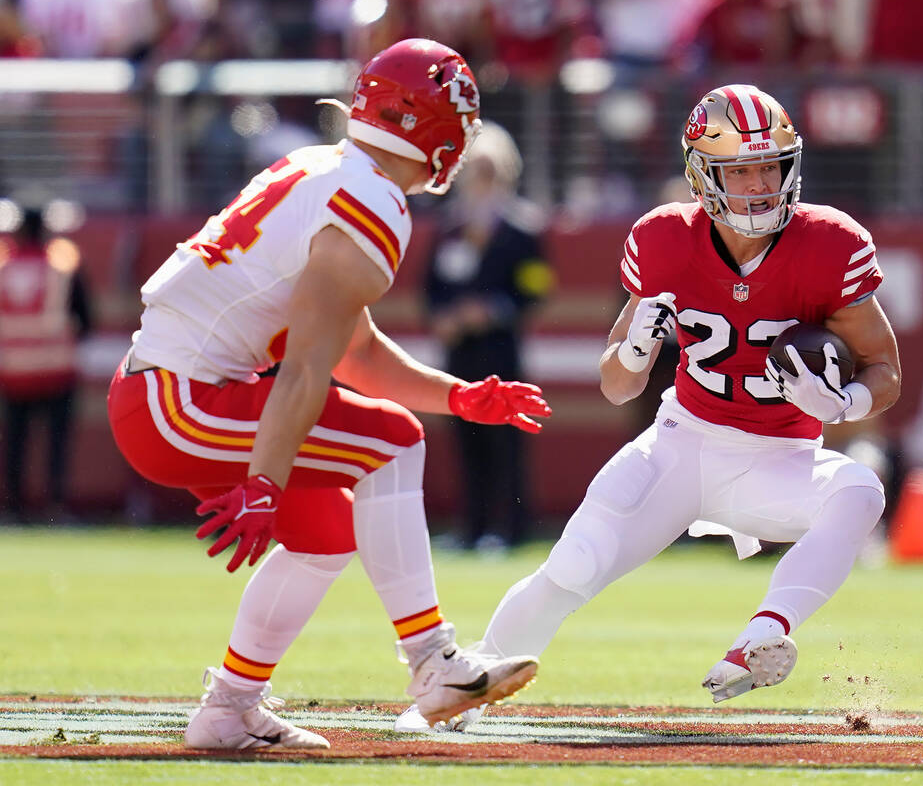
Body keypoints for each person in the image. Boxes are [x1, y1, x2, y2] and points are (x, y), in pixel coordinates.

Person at [397, 83, 901, 731]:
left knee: (859, 490)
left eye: (769, 166)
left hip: (777, 459)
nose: (758, 184)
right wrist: (635, 349)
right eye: (739, 170)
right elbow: (616, 385)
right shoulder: (663, 239)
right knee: (572, 567)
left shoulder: (830, 243)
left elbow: (885, 370)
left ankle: (762, 636)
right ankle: (456, 693)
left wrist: (843, 399)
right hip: (680, 444)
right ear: (702, 175)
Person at [106, 38, 550, 750]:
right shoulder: (369, 197)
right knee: (395, 441)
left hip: (164, 393)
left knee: (326, 533)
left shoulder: (328, 171)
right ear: (433, 126)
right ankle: (434, 662)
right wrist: (262, 481)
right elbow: (307, 370)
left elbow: (358, 354)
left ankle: (227, 710)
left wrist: (459, 395)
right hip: (181, 399)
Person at [424, 121, 554, 553]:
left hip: (501, 350)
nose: (479, 182)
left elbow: (535, 290)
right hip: (459, 352)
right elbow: (431, 288)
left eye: (487, 171)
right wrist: (443, 317)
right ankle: (472, 527)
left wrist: (493, 311)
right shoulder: (450, 227)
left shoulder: (523, 228)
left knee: (507, 441)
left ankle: (512, 529)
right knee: (466, 440)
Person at [0, 204, 93, 522]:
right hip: (57, 370)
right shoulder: (63, 266)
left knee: (14, 445)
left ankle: (13, 509)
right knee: (56, 445)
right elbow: (85, 319)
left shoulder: (2, 266)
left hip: (11, 372)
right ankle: (55, 507)